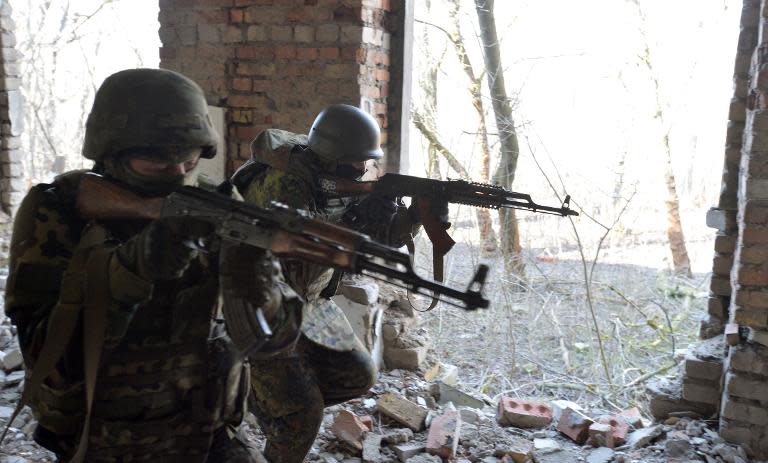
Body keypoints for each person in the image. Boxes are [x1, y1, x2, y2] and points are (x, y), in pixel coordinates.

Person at [4, 68, 302, 463]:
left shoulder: (221, 204)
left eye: (188, 159)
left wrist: (258, 286)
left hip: (209, 435)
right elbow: (51, 365)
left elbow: (275, 341)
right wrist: (132, 268)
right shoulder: (56, 212)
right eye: (156, 161)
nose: (178, 173)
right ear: (111, 153)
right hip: (103, 443)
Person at [232, 104, 444, 462]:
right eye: (353, 165)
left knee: (357, 374)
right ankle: (270, 405)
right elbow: (302, 246)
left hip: (309, 300)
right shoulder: (285, 183)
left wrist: (413, 217)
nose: (361, 171)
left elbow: (379, 236)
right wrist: (357, 222)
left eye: (365, 165)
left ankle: (273, 403)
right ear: (329, 159)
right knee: (303, 415)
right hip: (262, 303)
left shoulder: (336, 182)